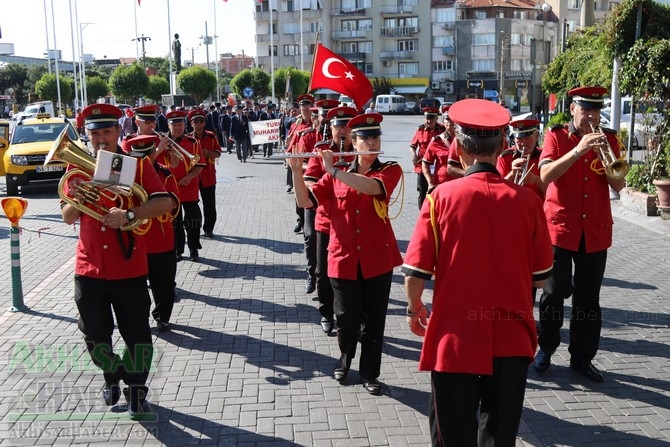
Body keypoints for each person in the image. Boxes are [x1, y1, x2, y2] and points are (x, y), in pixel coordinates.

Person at [402, 98, 554, 446]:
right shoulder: (529, 201)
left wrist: (415, 309)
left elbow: (415, 273)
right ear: (503, 145)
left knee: (452, 435)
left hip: (455, 340)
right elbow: (541, 276)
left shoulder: (439, 197)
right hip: (512, 338)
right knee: (500, 437)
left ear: (458, 145)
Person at [60, 104, 172, 419]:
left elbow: (165, 201)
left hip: (129, 268)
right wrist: (81, 198)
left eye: (106, 132)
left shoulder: (136, 166)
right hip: (90, 268)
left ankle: (136, 392)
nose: (100, 139)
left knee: (138, 338)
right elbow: (66, 216)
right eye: (94, 133)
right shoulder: (77, 169)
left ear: (117, 132)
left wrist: (130, 214)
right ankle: (112, 373)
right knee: (95, 337)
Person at [289, 112, 403, 395]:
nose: (372, 141)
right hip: (343, 258)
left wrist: (336, 172)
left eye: (375, 136)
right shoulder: (335, 172)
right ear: (354, 141)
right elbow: (306, 201)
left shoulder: (389, 169)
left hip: (377, 259)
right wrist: (295, 170)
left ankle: (370, 373)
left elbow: (374, 188)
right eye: (365, 138)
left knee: (375, 319)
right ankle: (344, 359)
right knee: (346, 317)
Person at [533, 86, 626, 383]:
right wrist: (578, 150)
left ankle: (582, 357)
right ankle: (546, 348)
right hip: (560, 229)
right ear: (572, 108)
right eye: (586, 109)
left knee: (588, 299)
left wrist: (605, 156)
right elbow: (546, 176)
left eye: (596, 110)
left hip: (595, 232)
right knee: (553, 292)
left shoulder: (609, 138)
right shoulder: (556, 136)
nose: (591, 116)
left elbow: (619, 185)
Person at [303, 105, 357, 334]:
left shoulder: (361, 151)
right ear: (331, 129)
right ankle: (326, 312)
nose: (342, 131)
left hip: (353, 222)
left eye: (347, 127)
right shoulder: (322, 150)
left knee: (353, 271)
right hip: (326, 221)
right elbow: (309, 181)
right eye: (338, 127)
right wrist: (319, 193)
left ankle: (354, 315)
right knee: (323, 272)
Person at [126, 135, 180, 333]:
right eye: (137, 156)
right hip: (135, 240)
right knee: (136, 287)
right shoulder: (125, 176)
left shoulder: (164, 174)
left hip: (160, 238)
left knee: (163, 283)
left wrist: (152, 202)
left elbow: (173, 202)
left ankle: (162, 317)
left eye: (145, 155)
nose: (142, 160)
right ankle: (139, 318)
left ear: (153, 154)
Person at [161, 109, 205, 262]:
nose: (178, 128)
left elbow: (200, 165)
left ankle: (193, 247)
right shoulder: (161, 143)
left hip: (188, 186)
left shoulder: (193, 142)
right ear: (169, 125)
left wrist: (189, 176)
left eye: (180, 124)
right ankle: (178, 250)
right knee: (175, 222)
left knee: (194, 220)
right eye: (175, 125)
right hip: (170, 187)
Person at [188, 109, 221, 238]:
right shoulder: (188, 138)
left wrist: (209, 154)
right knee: (193, 205)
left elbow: (218, 153)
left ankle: (208, 229)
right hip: (193, 176)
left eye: (201, 121)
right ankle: (195, 228)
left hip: (208, 176)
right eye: (196, 121)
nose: (199, 124)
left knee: (209, 205)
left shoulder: (211, 136)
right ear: (191, 124)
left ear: (204, 123)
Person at [496, 118, 546, 200]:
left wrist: (536, 180)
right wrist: (512, 173)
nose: (523, 143)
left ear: (536, 136)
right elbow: (496, 190)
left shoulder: (544, 156)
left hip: (536, 208)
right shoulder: (505, 157)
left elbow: (553, 193)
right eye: (519, 139)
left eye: (527, 138)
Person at [410, 107, 445, 209]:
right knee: (422, 191)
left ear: (436, 118)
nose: (428, 121)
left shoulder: (443, 130)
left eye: (431, 118)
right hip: (422, 167)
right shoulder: (420, 130)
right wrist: (414, 155)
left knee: (437, 190)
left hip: (437, 167)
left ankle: (436, 211)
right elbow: (413, 146)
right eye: (427, 118)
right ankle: (422, 213)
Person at [421, 104, 457, 192]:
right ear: (443, 121)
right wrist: (430, 182)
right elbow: (425, 164)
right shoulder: (436, 141)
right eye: (446, 119)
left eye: (452, 119)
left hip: (459, 186)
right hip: (441, 186)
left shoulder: (463, 140)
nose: (449, 121)